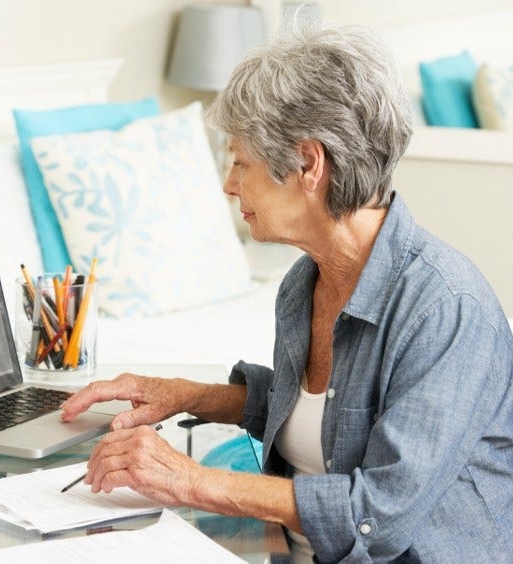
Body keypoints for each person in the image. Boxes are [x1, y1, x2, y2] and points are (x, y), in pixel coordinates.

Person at [61, 23, 513, 563]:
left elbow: (376, 516)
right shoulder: (305, 283)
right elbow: (324, 411)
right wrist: (184, 395)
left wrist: (189, 480)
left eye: (241, 161)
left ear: (308, 164)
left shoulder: (446, 312)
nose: (229, 184)